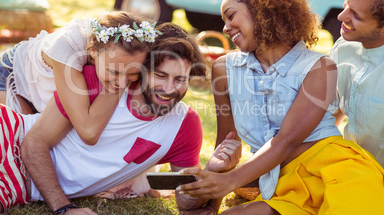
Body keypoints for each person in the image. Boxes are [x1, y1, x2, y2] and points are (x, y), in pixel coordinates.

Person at [177, 0, 384, 214]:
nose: (225, 27)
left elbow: (286, 141)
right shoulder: (225, 69)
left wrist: (227, 182)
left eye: (231, 15)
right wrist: (212, 203)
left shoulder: (320, 66)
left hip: (337, 172)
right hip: (284, 182)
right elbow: (226, 145)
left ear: (262, 10)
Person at [0, 22, 239, 214]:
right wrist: (64, 208)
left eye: (180, 80)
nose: (169, 89)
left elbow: (186, 203)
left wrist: (211, 170)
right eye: (160, 75)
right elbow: (33, 143)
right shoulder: (98, 80)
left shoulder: (184, 124)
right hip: (9, 135)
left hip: (18, 185)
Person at [0, 11, 152, 146]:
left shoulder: (123, 49)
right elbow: (87, 132)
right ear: (93, 51)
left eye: (133, 73)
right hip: (12, 77)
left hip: (48, 81)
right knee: (21, 140)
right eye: (114, 72)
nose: (123, 82)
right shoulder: (66, 48)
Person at [330, 0, 384, 202]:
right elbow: (334, 113)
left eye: (355, 15)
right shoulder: (343, 46)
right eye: (345, 6)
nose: (341, 16)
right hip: (349, 176)